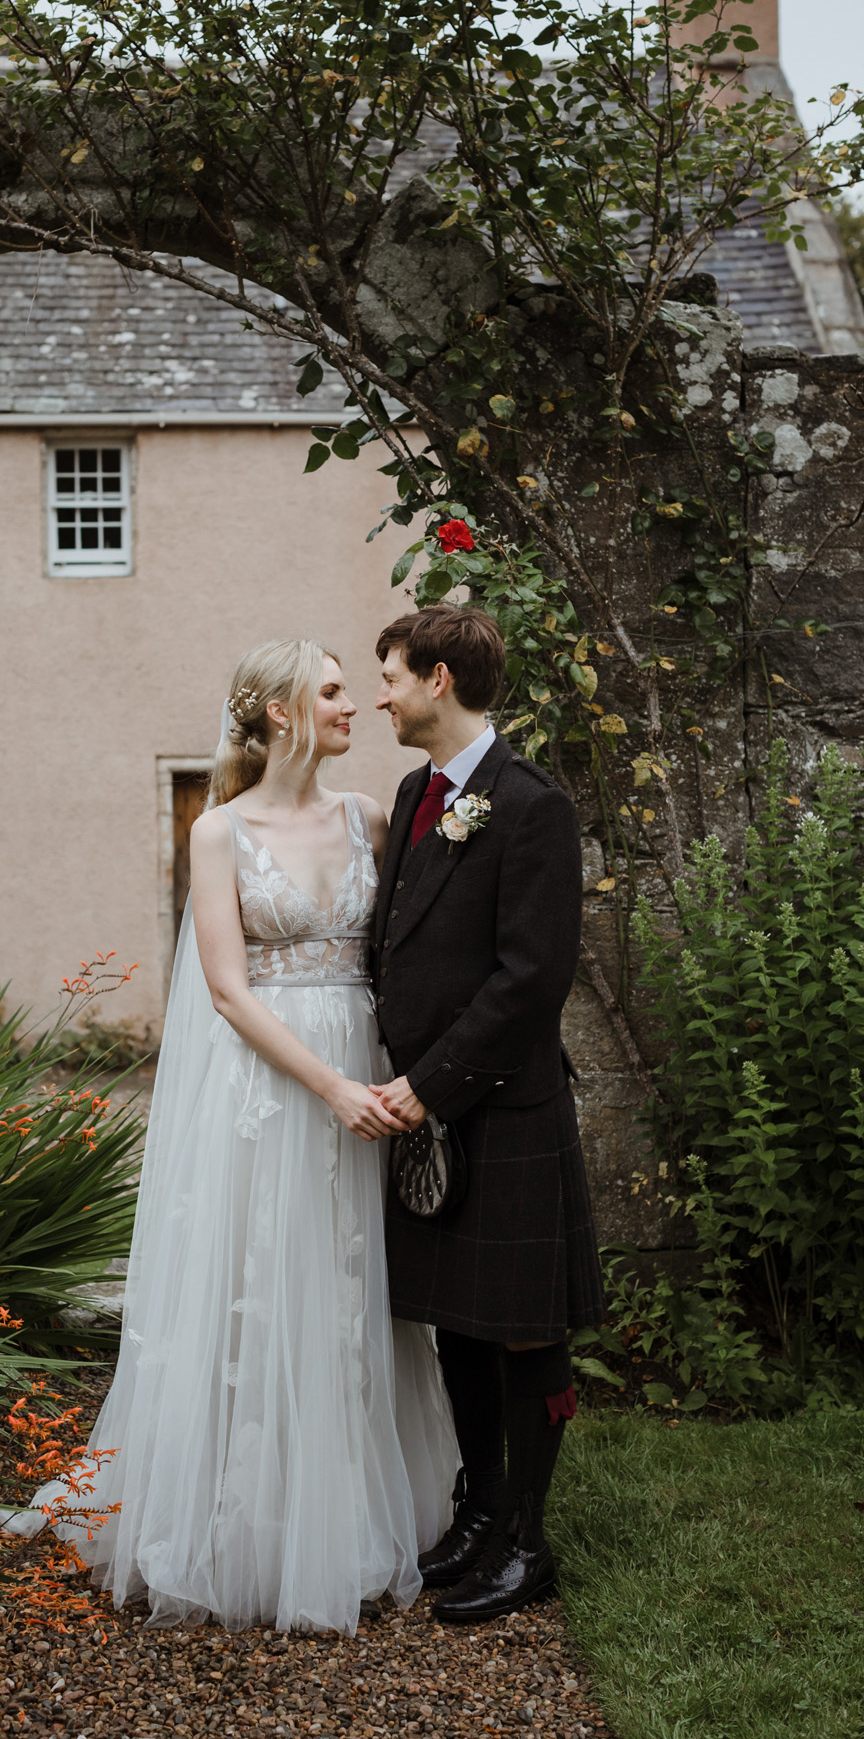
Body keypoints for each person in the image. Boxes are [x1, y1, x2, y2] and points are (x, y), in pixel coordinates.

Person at [2, 638, 458, 1634]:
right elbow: (225, 991)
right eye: (335, 691)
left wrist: (390, 1076)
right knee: (260, 1278)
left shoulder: (371, 817)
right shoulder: (219, 833)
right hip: (273, 1084)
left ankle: (355, 1507)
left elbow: (400, 955)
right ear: (283, 712)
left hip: (364, 1070)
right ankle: (244, 1520)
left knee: (353, 1285)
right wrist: (331, 1085)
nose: (355, 706)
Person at [370, 605, 605, 1625]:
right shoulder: (418, 791)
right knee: (458, 1321)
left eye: (390, 676)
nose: (381, 696)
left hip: (501, 1108)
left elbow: (530, 979)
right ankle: (480, 1508)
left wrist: (430, 1084)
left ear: (438, 679)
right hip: (429, 1108)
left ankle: (528, 1541)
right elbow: (398, 942)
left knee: (522, 1329)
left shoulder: (531, 804)